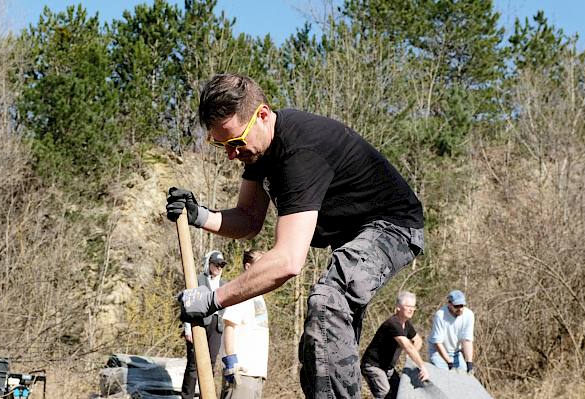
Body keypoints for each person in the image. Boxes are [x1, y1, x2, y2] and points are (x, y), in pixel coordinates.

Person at [167, 73, 424, 398]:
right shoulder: (258, 152)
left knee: (328, 303)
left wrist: (213, 299)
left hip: (392, 226)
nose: (231, 154)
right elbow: (248, 220)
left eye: (235, 142)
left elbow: (288, 261)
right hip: (351, 236)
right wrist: (200, 216)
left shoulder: (300, 150)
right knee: (318, 346)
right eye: (221, 145)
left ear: (262, 115)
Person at [360, 291, 429, 399]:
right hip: (373, 366)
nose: (411, 309)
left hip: (388, 368)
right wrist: (422, 366)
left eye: (413, 307)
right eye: (408, 306)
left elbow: (418, 340)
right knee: (387, 396)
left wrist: (411, 356)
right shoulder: (393, 323)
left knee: (401, 393)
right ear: (398, 307)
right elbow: (407, 345)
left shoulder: (406, 324)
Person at [220, 249, 269, 399]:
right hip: (242, 373)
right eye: (261, 264)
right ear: (248, 267)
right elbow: (229, 326)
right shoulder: (241, 292)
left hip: (256, 374)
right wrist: (231, 361)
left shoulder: (257, 294)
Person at [181, 250, 230, 399]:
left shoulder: (224, 284)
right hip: (199, 324)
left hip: (217, 326)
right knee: (193, 364)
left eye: (221, 265)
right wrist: (187, 329)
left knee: (211, 364)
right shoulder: (197, 280)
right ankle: (187, 397)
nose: (219, 267)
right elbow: (187, 303)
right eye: (216, 264)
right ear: (209, 264)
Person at [427, 290, 475, 374]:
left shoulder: (469, 315)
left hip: (456, 353)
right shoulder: (440, 315)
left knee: (463, 375)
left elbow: (467, 341)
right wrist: (449, 363)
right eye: (456, 306)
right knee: (445, 375)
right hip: (438, 353)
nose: (460, 309)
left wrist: (469, 364)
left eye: (462, 306)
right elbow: (438, 343)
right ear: (449, 304)